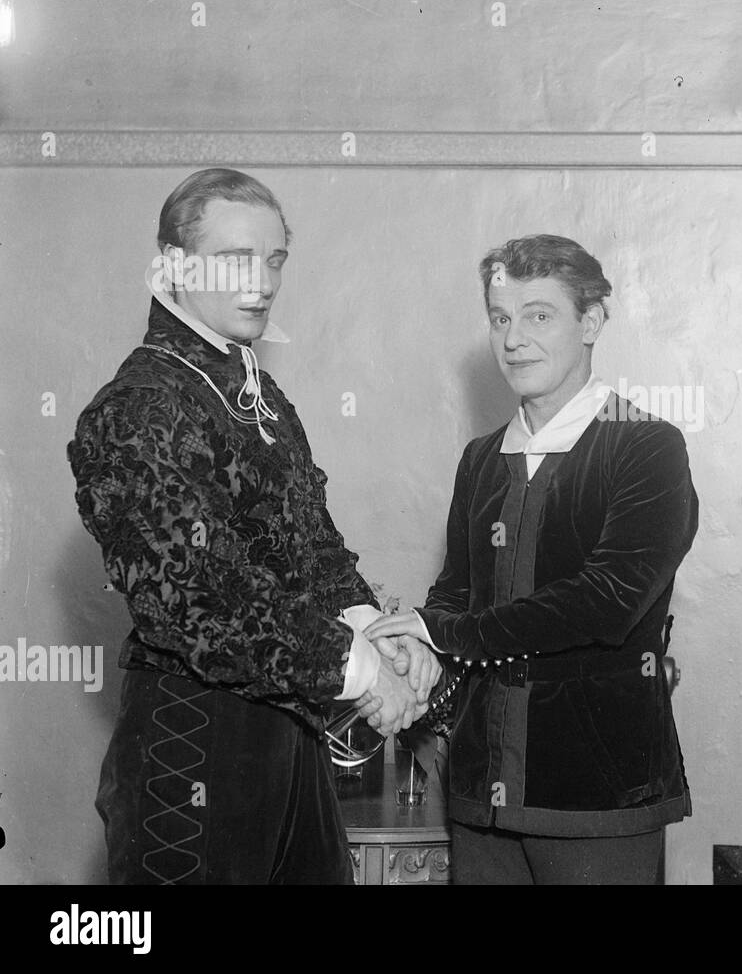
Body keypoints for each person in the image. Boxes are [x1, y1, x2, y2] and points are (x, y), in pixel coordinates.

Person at [67, 168, 438, 885]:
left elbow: (315, 548)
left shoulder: (260, 395)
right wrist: (360, 672)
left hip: (292, 737)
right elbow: (198, 597)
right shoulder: (137, 406)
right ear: (172, 263)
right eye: (237, 257)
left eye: (275, 258)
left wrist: (382, 636)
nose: (262, 280)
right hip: (193, 744)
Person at [367, 234, 698, 884]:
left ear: (592, 319)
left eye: (539, 314)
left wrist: (445, 633)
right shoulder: (481, 458)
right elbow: (456, 592)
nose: (514, 338)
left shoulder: (647, 447)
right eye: (500, 318)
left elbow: (606, 601)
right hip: (480, 798)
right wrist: (422, 656)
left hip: (598, 799)